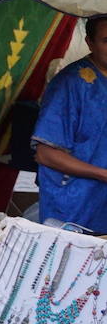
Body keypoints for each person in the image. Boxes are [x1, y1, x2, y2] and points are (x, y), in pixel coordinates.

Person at [33, 13, 107, 234]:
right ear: (89, 43)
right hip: (74, 204)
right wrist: (103, 174)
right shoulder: (69, 83)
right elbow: (45, 154)